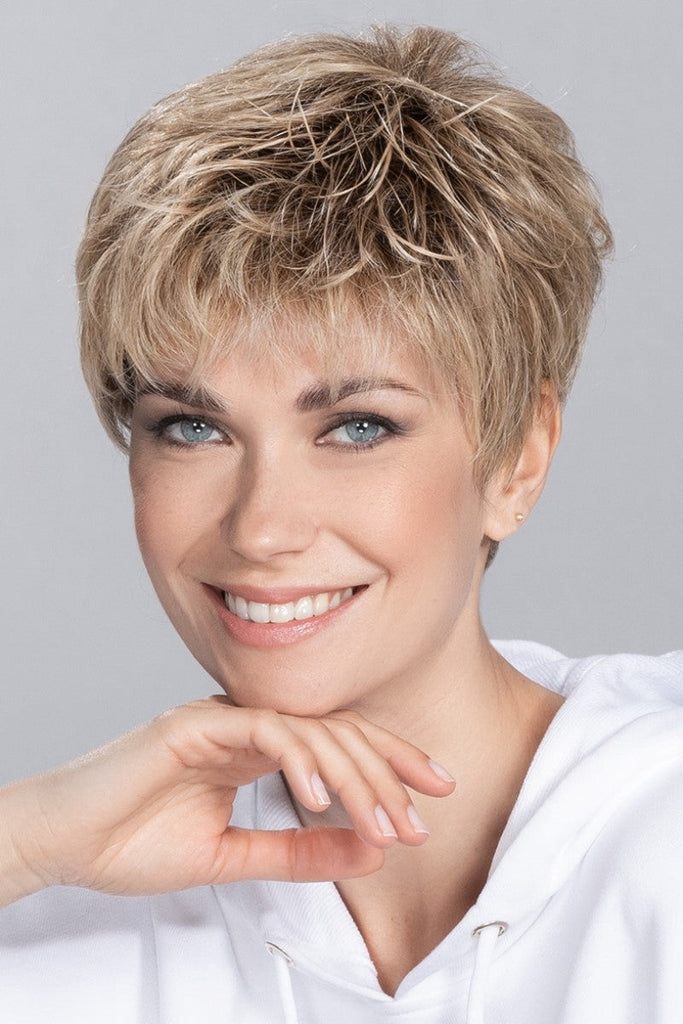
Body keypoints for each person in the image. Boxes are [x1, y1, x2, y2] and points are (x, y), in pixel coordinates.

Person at [1, 24, 681, 1024]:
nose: (263, 527)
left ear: (516, 457)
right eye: (191, 426)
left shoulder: (656, 836)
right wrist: (22, 842)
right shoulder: (74, 892)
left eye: (357, 426)